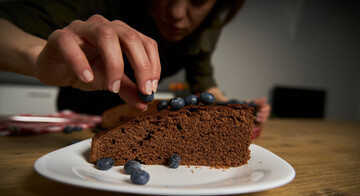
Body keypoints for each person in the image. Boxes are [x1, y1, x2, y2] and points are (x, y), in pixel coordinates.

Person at [0, 0, 270, 122]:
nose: (176, 13)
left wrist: (235, 110)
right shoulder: (104, 3)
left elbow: (203, 81)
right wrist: (37, 58)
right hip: (80, 119)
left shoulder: (206, 28)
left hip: (137, 120)